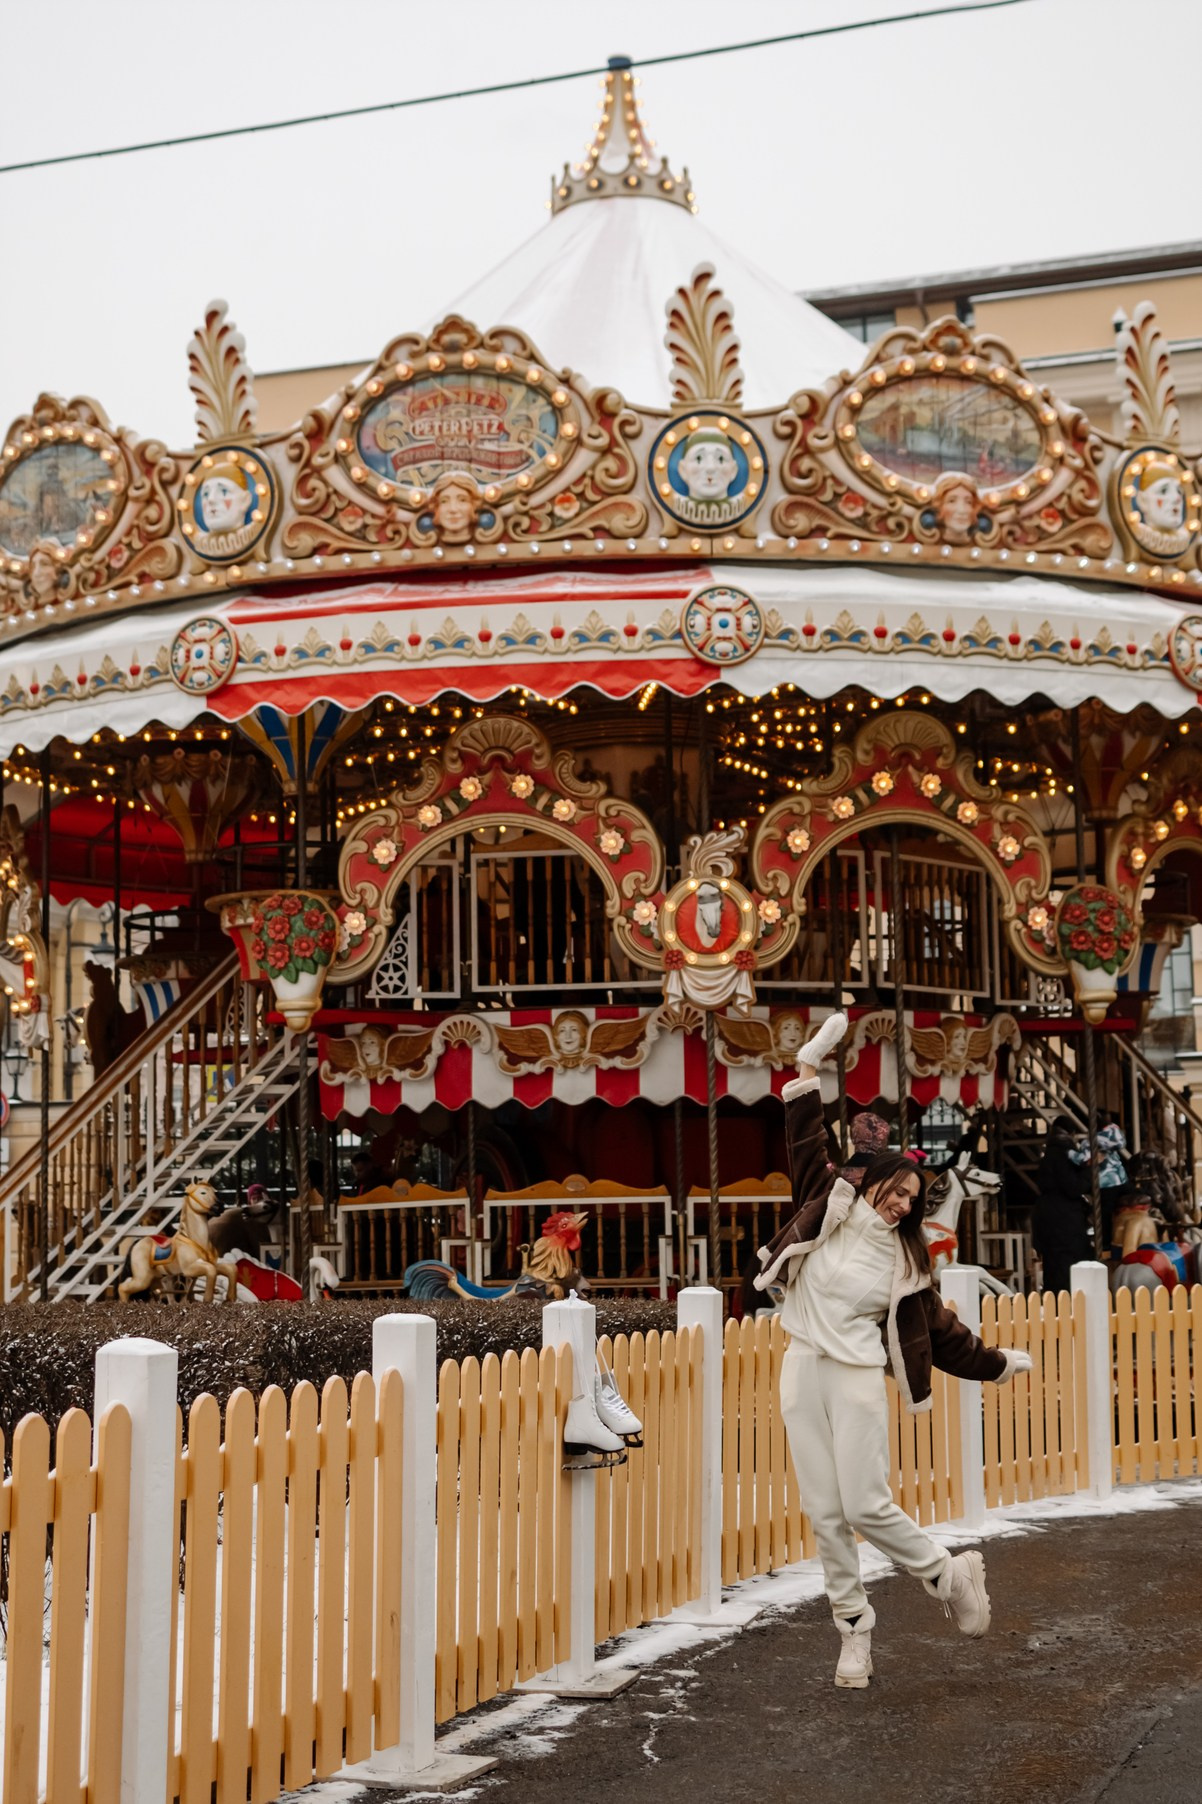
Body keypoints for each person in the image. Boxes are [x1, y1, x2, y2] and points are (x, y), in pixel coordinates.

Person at [754, 1011, 1030, 1690]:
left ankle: (947, 1574)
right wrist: (812, 1062)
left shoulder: (907, 1266)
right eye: (899, 1190)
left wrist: (995, 1364)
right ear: (874, 1179)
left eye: (914, 1197)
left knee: (866, 1505)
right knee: (824, 1514)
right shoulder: (825, 1204)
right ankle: (854, 1632)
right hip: (800, 1368)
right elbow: (805, 1133)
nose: (906, 1204)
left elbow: (940, 1337)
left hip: (852, 1378)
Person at [1032, 1117, 1093, 1292]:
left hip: (1047, 1216)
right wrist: (1088, 1171)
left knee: (1053, 1263)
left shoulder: (1048, 1154)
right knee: (1068, 1264)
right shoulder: (1065, 1154)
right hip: (1064, 1219)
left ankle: (1055, 1303)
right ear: (1072, 1134)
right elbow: (1073, 1187)